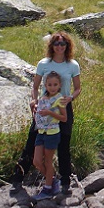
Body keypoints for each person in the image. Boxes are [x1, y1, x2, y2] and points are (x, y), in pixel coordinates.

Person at [16, 31, 81, 194]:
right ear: (51, 46)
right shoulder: (43, 64)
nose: (60, 47)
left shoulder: (72, 65)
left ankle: (65, 180)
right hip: (44, 106)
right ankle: (18, 177)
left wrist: (70, 98)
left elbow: (78, 88)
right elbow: (35, 86)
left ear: (68, 46)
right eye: (57, 43)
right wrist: (34, 100)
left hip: (63, 106)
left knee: (64, 143)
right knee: (33, 139)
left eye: (63, 44)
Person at [31, 71, 68, 199]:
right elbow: (38, 115)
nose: (52, 87)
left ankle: (47, 189)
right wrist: (35, 110)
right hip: (41, 132)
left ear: (59, 85)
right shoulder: (42, 98)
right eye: (50, 85)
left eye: (55, 85)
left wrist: (50, 113)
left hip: (52, 133)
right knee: (36, 161)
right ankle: (52, 181)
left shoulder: (60, 99)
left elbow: (64, 118)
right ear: (46, 86)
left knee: (48, 161)